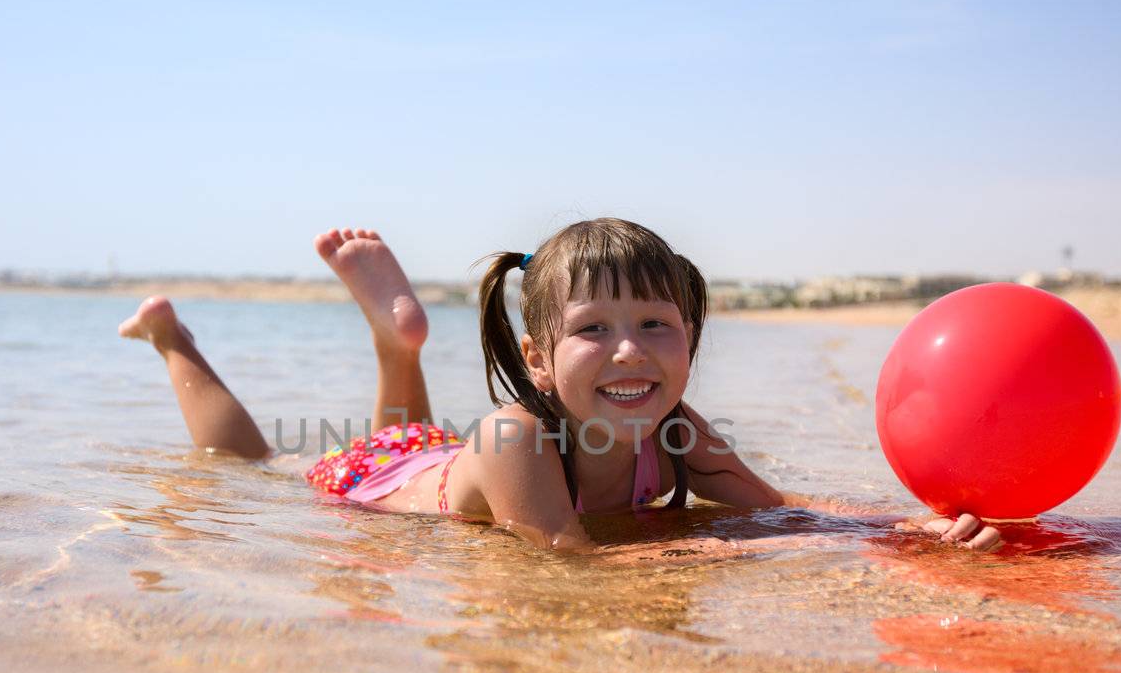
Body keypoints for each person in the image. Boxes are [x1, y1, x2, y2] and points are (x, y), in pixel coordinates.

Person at [119, 219, 1003, 554]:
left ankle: (398, 342)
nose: (629, 352)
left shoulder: (679, 431)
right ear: (538, 361)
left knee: (412, 434)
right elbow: (568, 560)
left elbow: (778, 512)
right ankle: (173, 340)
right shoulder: (514, 438)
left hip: (428, 459)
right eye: (593, 330)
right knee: (246, 465)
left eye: (656, 325)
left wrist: (902, 532)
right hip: (375, 484)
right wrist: (722, 556)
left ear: (690, 342)